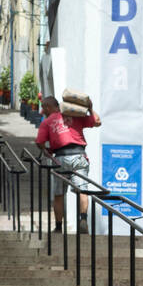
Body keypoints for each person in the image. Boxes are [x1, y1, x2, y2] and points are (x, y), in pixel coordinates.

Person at [35, 94, 101, 233]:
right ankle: (83, 218)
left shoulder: (46, 122)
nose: (42, 111)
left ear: (48, 106)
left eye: (43, 108)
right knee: (83, 190)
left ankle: (59, 227)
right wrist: (90, 108)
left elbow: (39, 142)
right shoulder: (75, 115)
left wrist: (46, 151)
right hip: (79, 156)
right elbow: (97, 121)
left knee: (59, 194)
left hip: (60, 158)